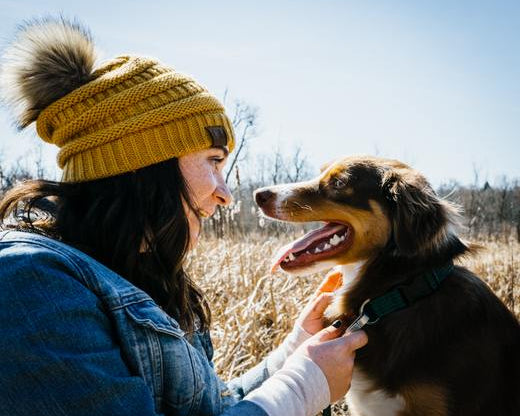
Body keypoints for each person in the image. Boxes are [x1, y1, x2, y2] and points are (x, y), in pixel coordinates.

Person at [0, 18, 368, 416]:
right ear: (142, 164)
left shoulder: (140, 275)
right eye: (213, 161)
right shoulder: (29, 282)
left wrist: (296, 351)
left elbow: (213, 407)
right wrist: (301, 388)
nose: (225, 194)